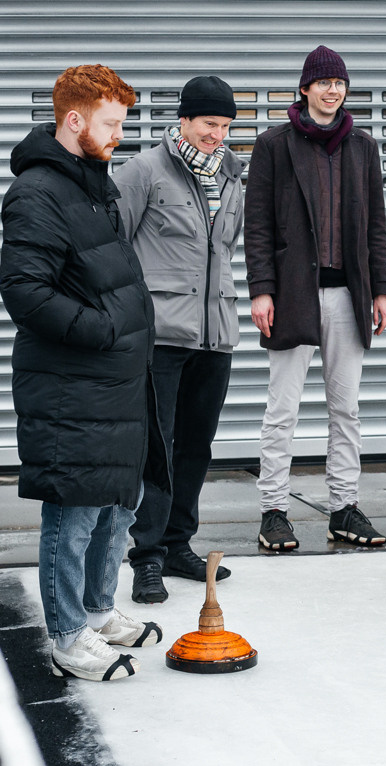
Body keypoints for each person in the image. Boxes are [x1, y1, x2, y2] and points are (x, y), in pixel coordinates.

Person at [0, 64, 164, 681]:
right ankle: (67, 638)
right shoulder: (38, 192)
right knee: (72, 514)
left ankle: (97, 610)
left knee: (117, 503)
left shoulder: (97, 183)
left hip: (116, 380)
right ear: (75, 121)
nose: (120, 135)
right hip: (73, 381)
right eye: (112, 124)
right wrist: (101, 331)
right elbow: (25, 292)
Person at [245, 45, 386, 551]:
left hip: (348, 297)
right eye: (324, 82)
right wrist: (262, 290)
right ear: (305, 88)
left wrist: (382, 288)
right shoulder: (274, 145)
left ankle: (344, 508)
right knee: (282, 408)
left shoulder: (363, 147)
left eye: (340, 82)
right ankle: (274, 511)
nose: (333, 90)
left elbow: (376, 225)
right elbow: (258, 226)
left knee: (345, 409)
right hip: (292, 296)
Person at [114, 76, 243, 603]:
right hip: (161, 337)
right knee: (157, 451)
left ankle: (177, 543)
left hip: (214, 335)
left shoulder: (233, 175)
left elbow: (226, 250)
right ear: (185, 119)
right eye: (210, 123)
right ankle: (145, 556)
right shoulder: (143, 172)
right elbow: (113, 247)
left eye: (227, 126)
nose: (218, 134)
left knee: (196, 447)